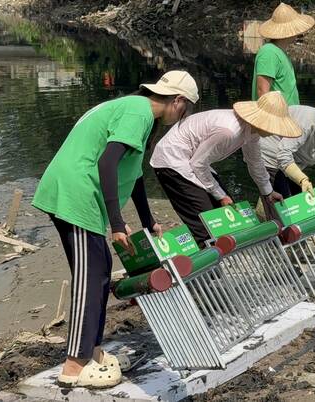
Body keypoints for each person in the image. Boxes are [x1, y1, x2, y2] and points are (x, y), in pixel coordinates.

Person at [31, 70, 199, 388]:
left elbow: (132, 175)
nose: (182, 116)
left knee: (102, 269)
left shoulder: (138, 112)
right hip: (75, 193)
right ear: (178, 101)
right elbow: (107, 163)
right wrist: (117, 223)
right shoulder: (139, 112)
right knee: (91, 276)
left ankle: (92, 354)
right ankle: (73, 366)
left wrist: (148, 220)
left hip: (81, 194)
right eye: (185, 109)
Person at [151, 91, 302, 246]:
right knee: (206, 219)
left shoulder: (252, 131)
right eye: (273, 126)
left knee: (229, 212)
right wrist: (220, 195)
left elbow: (255, 161)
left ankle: (219, 257)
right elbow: (198, 164)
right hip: (171, 160)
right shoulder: (228, 131)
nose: (274, 131)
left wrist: (268, 192)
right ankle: (203, 261)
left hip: (192, 160)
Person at [251, 2, 315, 106]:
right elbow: (262, 92)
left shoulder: (279, 52)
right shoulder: (269, 52)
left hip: (288, 116)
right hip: (276, 119)